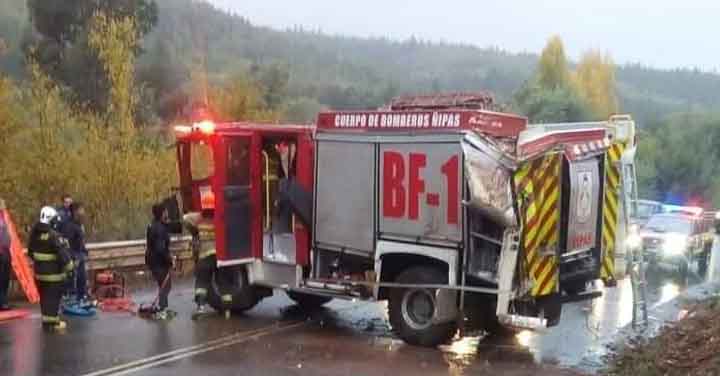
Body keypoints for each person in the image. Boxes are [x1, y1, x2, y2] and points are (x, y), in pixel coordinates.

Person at [28, 207, 74, 332]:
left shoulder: (34, 233)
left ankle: (46, 322)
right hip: (53, 275)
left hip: (39, 274)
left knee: (44, 298)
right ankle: (53, 323)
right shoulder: (54, 236)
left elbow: (30, 252)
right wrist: (70, 268)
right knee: (53, 298)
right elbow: (62, 253)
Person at [184, 210, 231, 319]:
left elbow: (185, 218)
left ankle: (200, 308)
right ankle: (227, 311)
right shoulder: (219, 221)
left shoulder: (200, 222)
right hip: (219, 257)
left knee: (202, 282)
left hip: (205, 257)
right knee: (223, 282)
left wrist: (199, 215)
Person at [146, 204, 173, 319]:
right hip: (158, 261)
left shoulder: (154, 225)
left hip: (153, 260)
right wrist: (169, 260)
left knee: (163, 284)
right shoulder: (159, 229)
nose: (167, 213)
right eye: (166, 211)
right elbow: (160, 249)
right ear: (162, 213)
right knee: (165, 285)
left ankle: (163, 308)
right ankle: (162, 310)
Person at [61, 202, 89, 304]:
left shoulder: (79, 225)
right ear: (75, 212)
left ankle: (82, 297)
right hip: (73, 257)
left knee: (82, 279)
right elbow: (66, 244)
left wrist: (84, 252)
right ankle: (72, 299)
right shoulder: (69, 226)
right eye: (81, 210)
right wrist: (73, 257)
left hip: (80, 255)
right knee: (73, 279)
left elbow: (80, 241)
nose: (83, 212)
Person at [0, 199, 12, 311]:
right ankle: (2, 302)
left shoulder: (3, 219)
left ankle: (3, 301)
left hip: (5, 251)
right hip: (1, 251)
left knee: (5, 278)